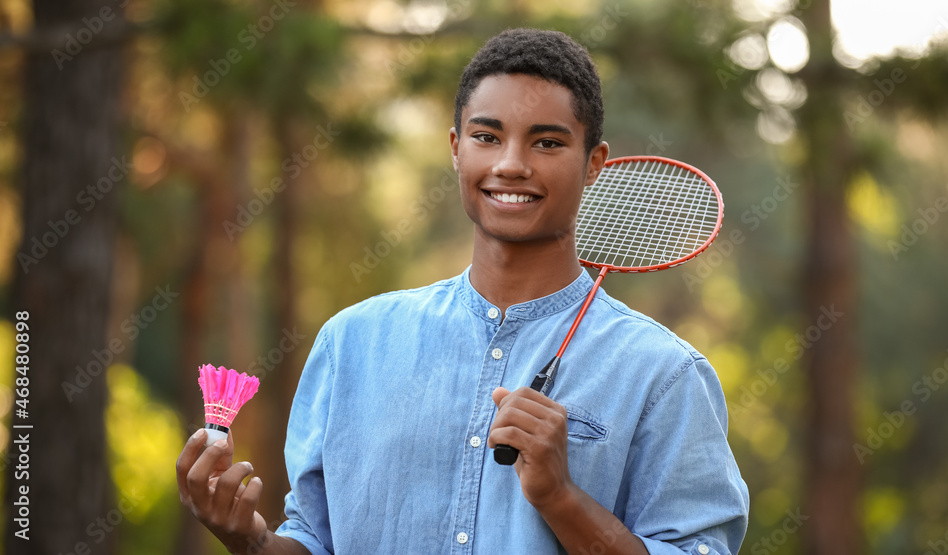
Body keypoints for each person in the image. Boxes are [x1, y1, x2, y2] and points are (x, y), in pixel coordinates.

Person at [177, 28, 749, 554]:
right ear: (456, 147)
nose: (511, 164)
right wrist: (250, 540)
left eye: (547, 143)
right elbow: (313, 540)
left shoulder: (663, 374)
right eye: (486, 136)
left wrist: (560, 497)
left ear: (593, 162)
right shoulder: (352, 344)